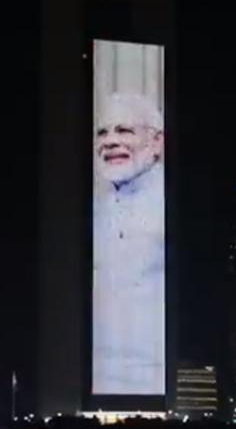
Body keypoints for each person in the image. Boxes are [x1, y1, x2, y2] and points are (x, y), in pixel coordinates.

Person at [92, 93, 165, 395]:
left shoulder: (171, 209)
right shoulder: (93, 212)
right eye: (102, 133)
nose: (110, 142)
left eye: (124, 130)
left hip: (156, 380)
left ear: (157, 142)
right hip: (98, 379)